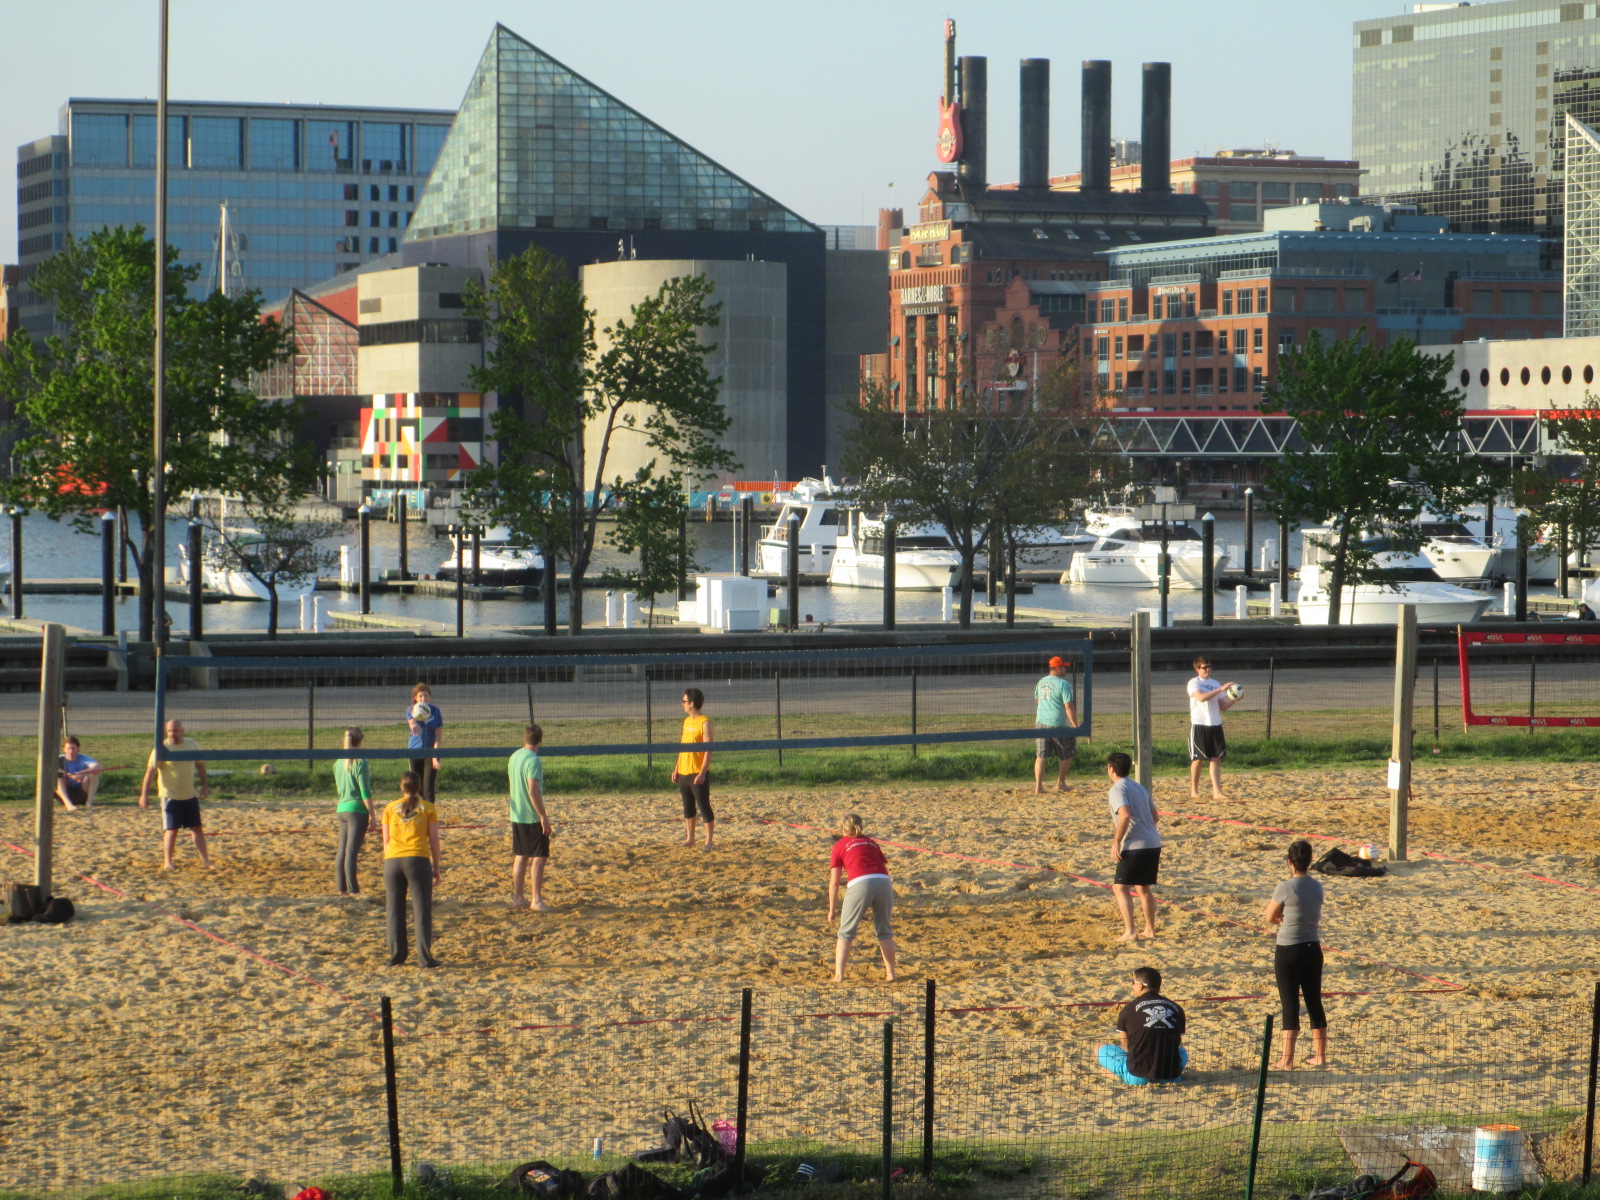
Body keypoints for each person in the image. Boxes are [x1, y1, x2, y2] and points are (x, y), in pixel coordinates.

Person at [1265, 839, 1329, 1069]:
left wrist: (1281, 915)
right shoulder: (1317, 886)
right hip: (1312, 947)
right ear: (1310, 861)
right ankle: (1320, 1056)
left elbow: (1269, 916)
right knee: (1314, 1001)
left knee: (1290, 1004)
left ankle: (1287, 1060)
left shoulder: (1285, 887)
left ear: (1289, 862)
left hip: (1289, 948)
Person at [827, 814, 898, 984]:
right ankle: (891, 974)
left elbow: (835, 882)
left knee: (846, 932)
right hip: (884, 882)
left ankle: (839, 976)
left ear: (842, 829)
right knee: (884, 931)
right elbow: (879, 865)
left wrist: (831, 909)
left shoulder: (839, 845)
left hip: (860, 883)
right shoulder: (871, 842)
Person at [380, 770, 441, 968]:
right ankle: (424, 957)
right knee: (421, 909)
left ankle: (396, 955)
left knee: (394, 909)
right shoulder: (427, 807)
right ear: (419, 787)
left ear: (401, 787)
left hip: (393, 860)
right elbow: (433, 840)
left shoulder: (390, 808)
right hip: (417, 858)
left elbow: (386, 840)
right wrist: (437, 867)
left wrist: (389, 859)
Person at [138, 719, 213, 871]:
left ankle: (205, 860)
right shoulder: (162, 748)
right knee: (172, 829)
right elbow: (150, 772)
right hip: (170, 795)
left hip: (189, 794)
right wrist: (144, 795)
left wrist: (204, 786)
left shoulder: (191, 744)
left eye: (176, 731)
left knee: (196, 828)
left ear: (182, 731)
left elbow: (200, 765)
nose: (173, 734)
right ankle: (168, 861)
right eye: (170, 731)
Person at [1097, 966, 1189, 1085]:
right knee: (1181, 1050)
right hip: (1171, 1075)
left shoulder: (1128, 1009)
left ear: (1140, 986)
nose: (1132, 986)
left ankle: (1118, 1075)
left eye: (1133, 983)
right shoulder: (1177, 1008)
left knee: (1099, 1047)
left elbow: (1126, 1047)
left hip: (1138, 1076)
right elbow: (1177, 1043)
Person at [1106, 752, 1161, 942]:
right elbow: (1155, 817)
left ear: (1111, 769)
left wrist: (1116, 841)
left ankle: (1130, 931)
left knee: (1120, 888)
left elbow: (1125, 814)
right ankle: (1150, 930)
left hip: (1135, 845)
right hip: (1153, 842)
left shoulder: (1117, 789)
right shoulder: (1139, 787)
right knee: (1143, 888)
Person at [507, 723, 552, 911]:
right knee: (539, 857)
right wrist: (543, 816)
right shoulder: (534, 760)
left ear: (524, 738)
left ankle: (518, 898)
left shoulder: (515, 756)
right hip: (531, 815)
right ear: (540, 740)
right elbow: (533, 790)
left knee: (521, 856)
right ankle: (536, 900)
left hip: (517, 814)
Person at [1186, 656, 1240, 800]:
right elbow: (1201, 698)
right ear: (1197, 669)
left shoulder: (1215, 683)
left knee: (1216, 758)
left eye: (1209, 666)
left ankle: (1217, 792)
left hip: (1215, 724)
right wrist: (1220, 689)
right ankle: (1194, 791)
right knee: (1198, 759)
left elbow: (1223, 707)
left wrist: (1235, 700)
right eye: (1205, 667)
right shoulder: (1194, 682)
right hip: (1200, 724)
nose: (1208, 669)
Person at [333, 727, 375, 896]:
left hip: (342, 807)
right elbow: (365, 792)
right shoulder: (360, 762)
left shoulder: (338, 762)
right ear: (360, 740)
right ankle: (353, 890)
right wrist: (372, 815)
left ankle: (341, 889)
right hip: (356, 809)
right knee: (351, 852)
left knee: (342, 851)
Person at [671, 687, 714, 849]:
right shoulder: (686, 721)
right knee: (688, 806)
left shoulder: (705, 723)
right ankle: (690, 838)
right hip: (684, 770)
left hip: (697, 771)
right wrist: (676, 768)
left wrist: (702, 772)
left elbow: (708, 750)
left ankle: (709, 841)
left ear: (692, 703)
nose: (682, 704)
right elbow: (683, 747)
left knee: (703, 806)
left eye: (684, 701)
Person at [1033, 655, 1080, 794]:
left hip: (1041, 722)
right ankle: (1061, 783)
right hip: (1058, 723)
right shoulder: (1063, 684)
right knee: (1066, 754)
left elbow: (1038, 700)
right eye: (1064, 667)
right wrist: (1075, 725)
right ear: (1058, 668)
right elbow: (1069, 706)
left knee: (1041, 755)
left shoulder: (1041, 681)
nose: (1066, 670)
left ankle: (1038, 786)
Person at [405, 682, 443, 806]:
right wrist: (414, 725)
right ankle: (416, 810)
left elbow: (438, 735)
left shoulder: (435, 711)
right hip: (414, 751)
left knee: (428, 787)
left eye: (426, 695)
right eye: (420, 696)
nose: (423, 698)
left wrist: (435, 756)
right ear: (415, 698)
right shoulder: (412, 709)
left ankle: (429, 812)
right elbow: (411, 722)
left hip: (430, 752)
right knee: (415, 786)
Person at [56, 735, 105, 812]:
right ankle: (68, 805)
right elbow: (51, 769)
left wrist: (82, 773)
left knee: (93, 774)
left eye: (73, 748)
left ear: (78, 748)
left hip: (81, 792)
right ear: (64, 749)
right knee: (59, 776)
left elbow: (98, 766)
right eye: (68, 748)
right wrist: (70, 775)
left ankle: (89, 803)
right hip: (65, 793)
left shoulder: (83, 758)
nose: (71, 751)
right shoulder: (60, 759)